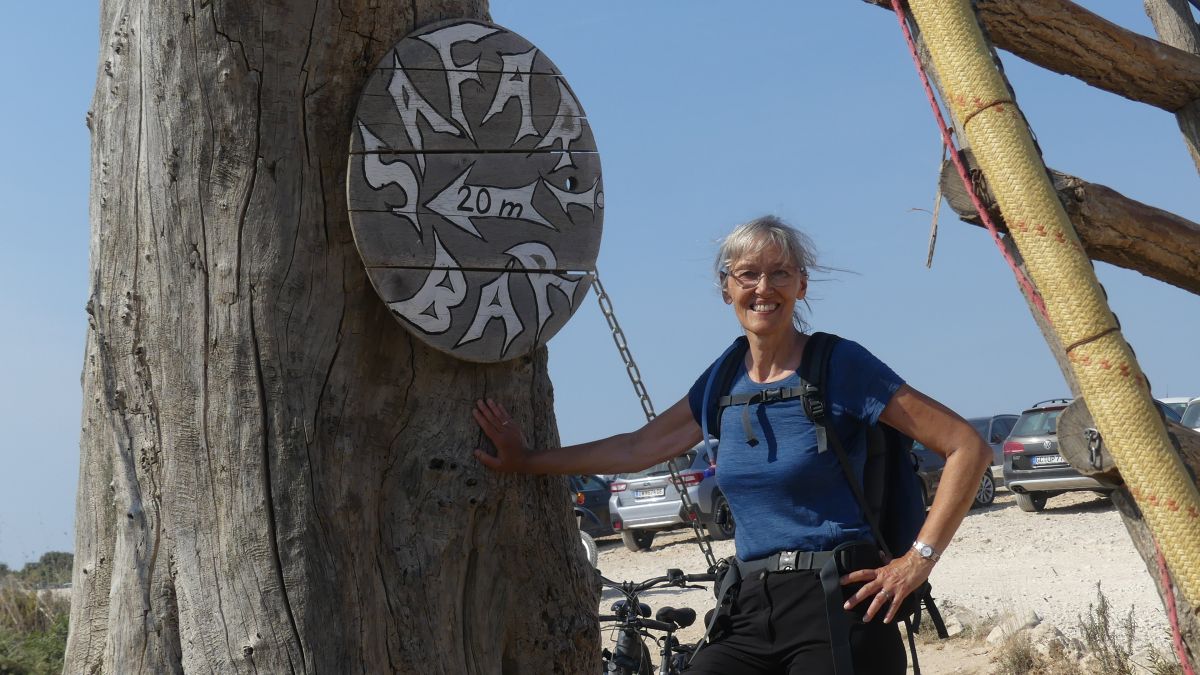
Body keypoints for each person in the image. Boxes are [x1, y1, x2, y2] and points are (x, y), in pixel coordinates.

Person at [473, 215, 992, 674]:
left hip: (837, 603)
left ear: (801, 286)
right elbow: (637, 448)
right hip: (748, 602)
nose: (763, 287)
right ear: (727, 289)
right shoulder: (724, 378)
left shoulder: (841, 365)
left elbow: (967, 446)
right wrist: (527, 460)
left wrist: (918, 560)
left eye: (780, 273)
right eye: (748, 274)